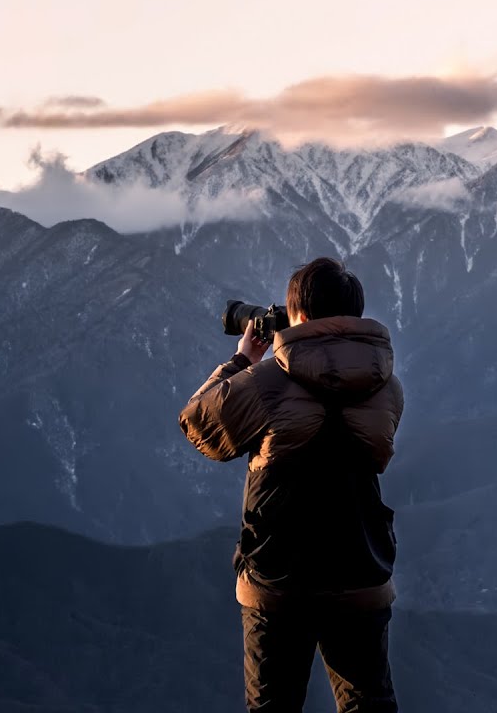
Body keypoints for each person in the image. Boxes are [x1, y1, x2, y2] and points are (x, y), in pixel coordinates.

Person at [179, 257, 405, 713]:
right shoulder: (387, 387)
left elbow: (198, 425)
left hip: (279, 577)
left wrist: (244, 359)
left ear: (298, 313)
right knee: (370, 704)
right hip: (360, 564)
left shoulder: (264, 382)